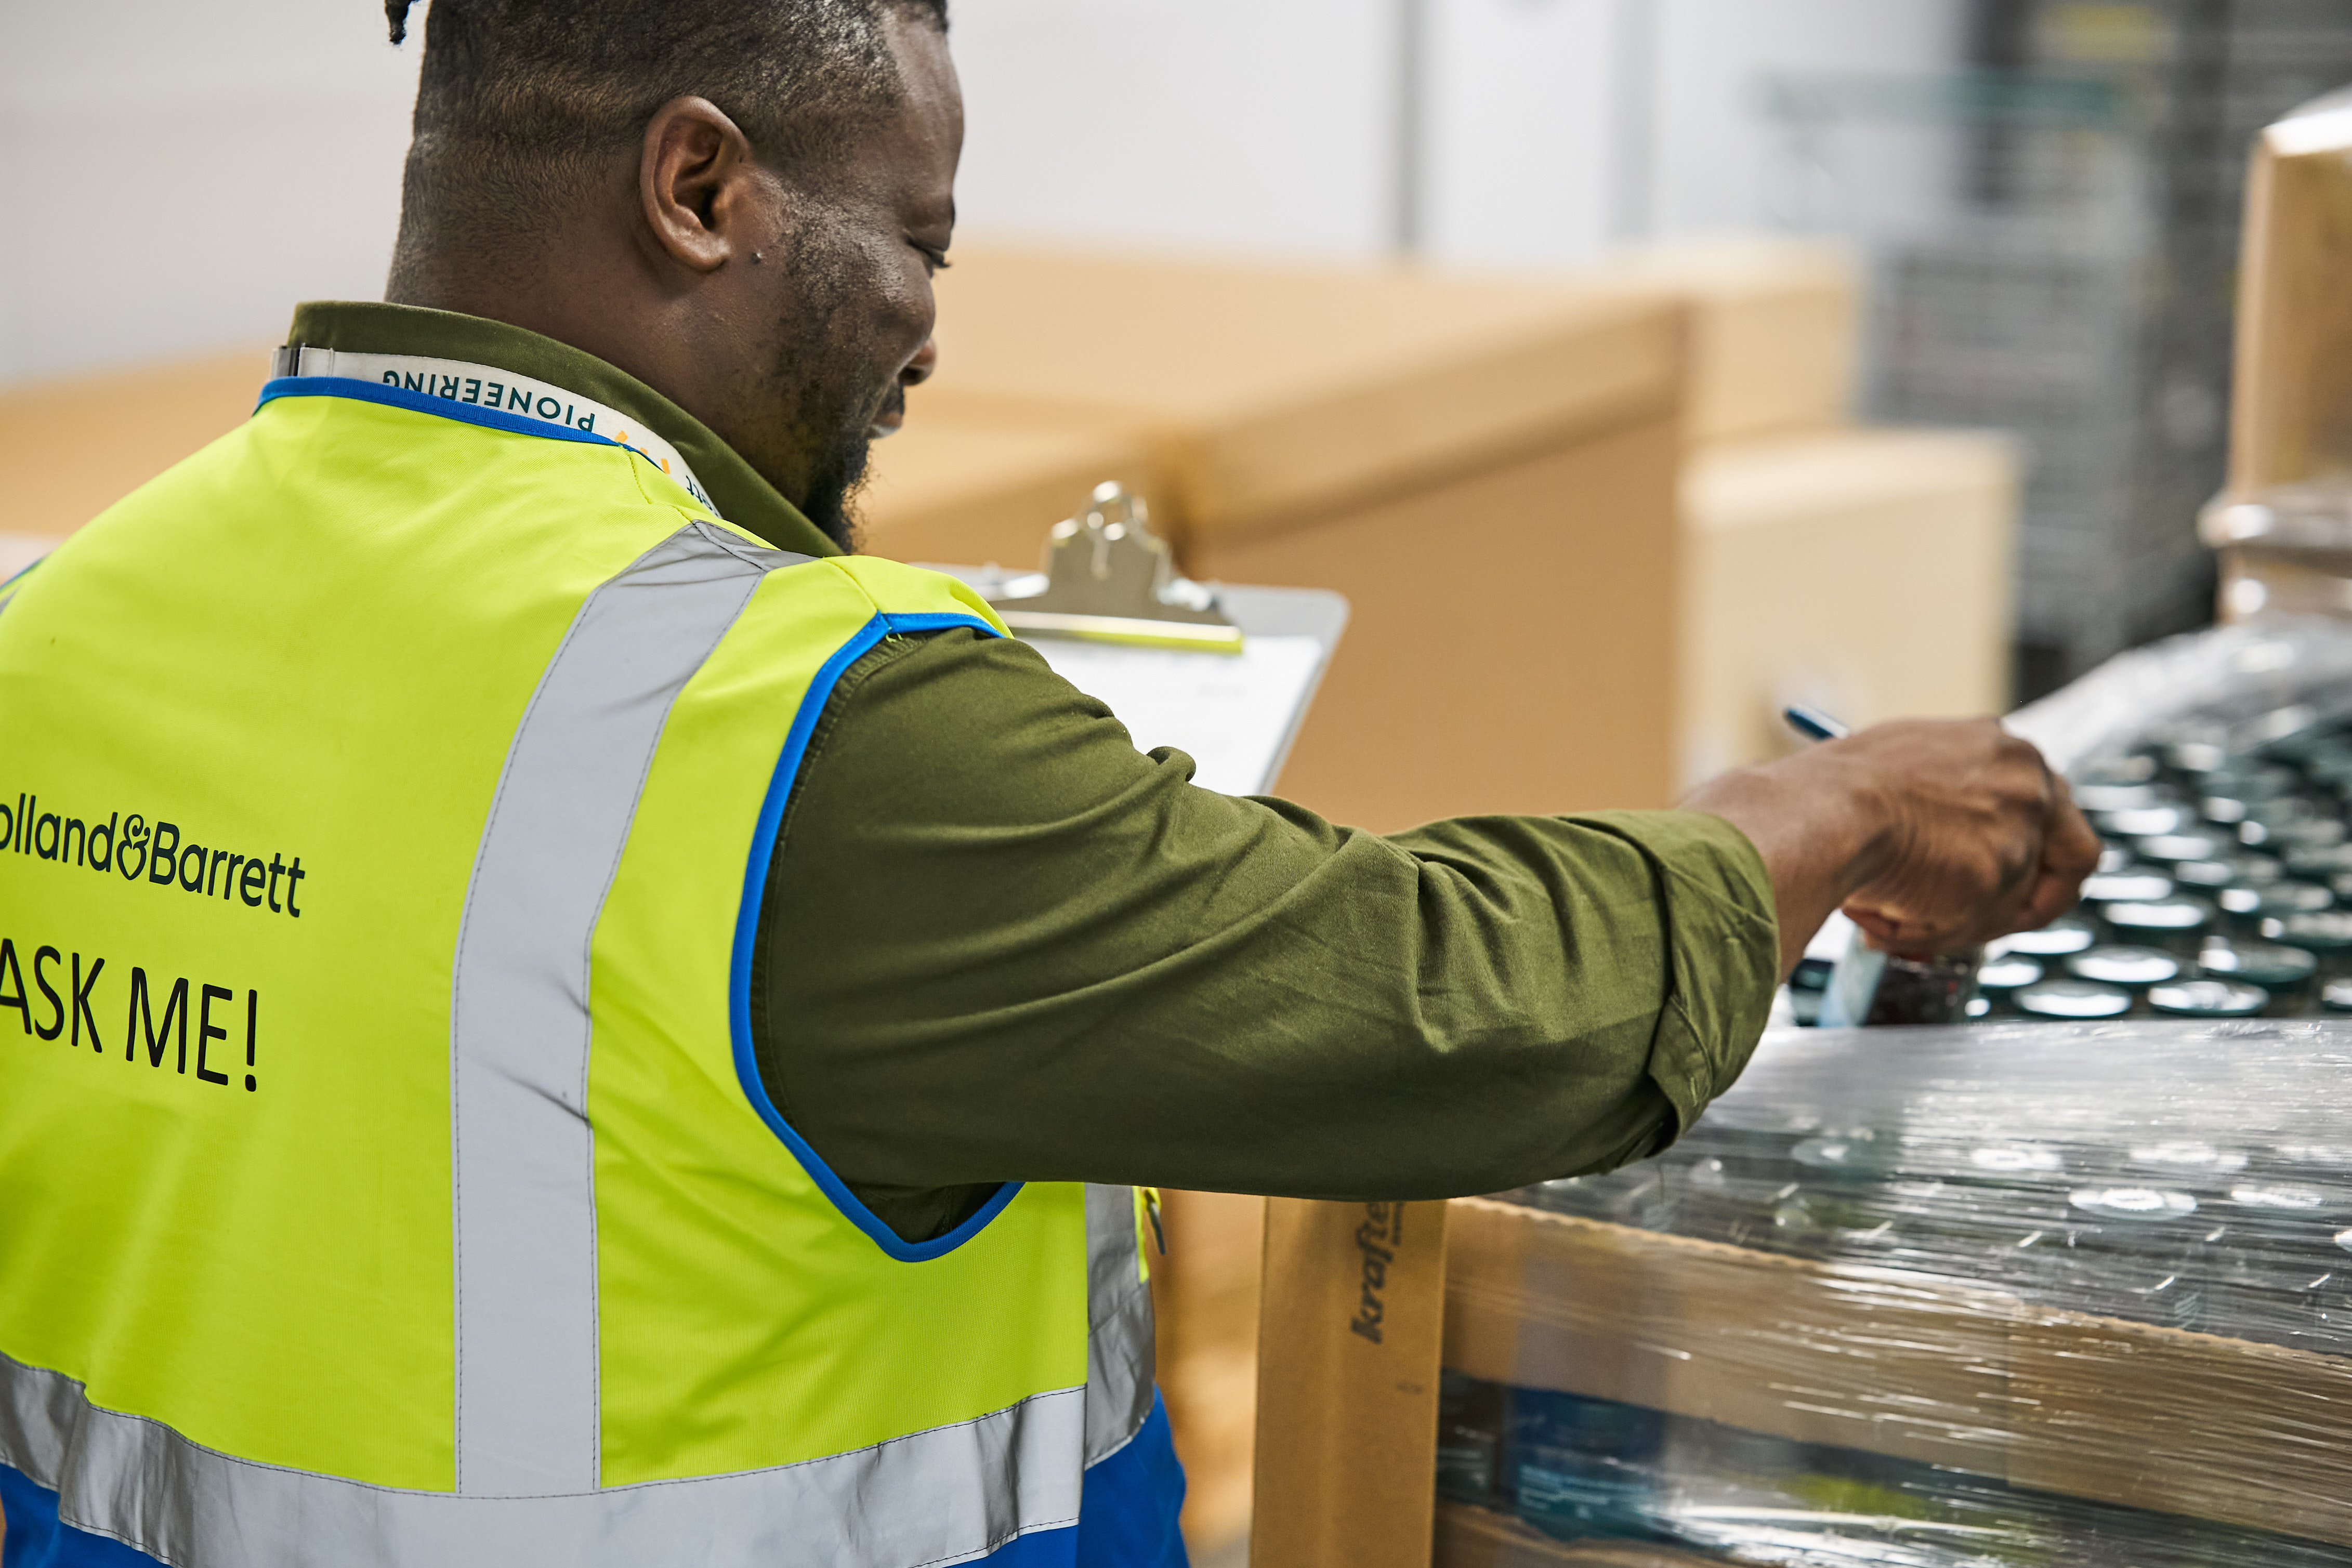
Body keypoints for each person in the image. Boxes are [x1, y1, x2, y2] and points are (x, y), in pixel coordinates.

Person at [0, 2, 2099, 1565]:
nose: (924, 329)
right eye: (914, 241)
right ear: (701, 188)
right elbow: (1432, 1007)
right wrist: (1798, 817)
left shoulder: (65, 623)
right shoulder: (790, 724)